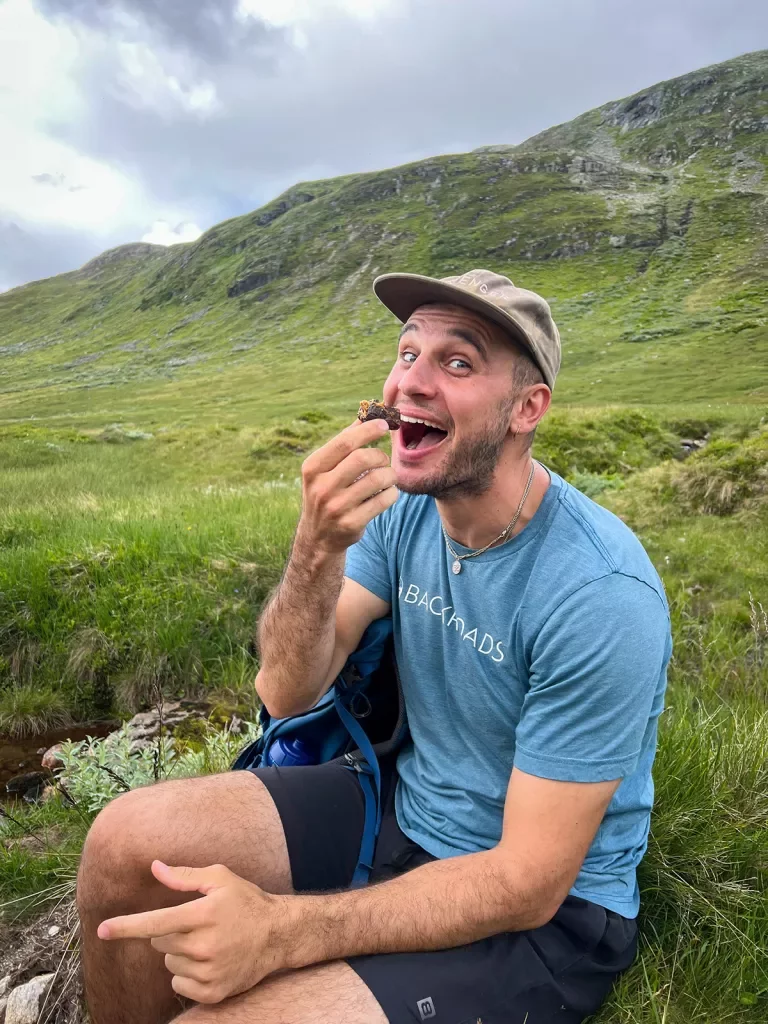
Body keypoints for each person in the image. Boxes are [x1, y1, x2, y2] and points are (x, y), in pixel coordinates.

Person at [77, 269, 672, 1024]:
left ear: (528, 408)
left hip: (548, 920)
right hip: (401, 806)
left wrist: (282, 932)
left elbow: (528, 881)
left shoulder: (600, 594)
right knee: (121, 841)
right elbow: (286, 692)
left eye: (457, 362)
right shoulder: (407, 508)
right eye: (406, 351)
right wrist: (316, 550)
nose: (411, 383)